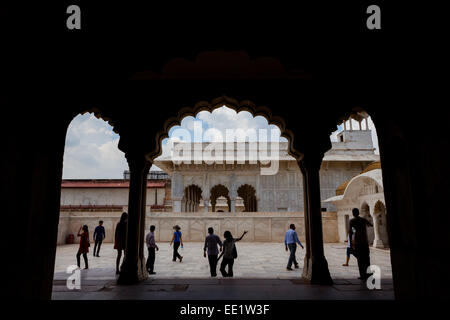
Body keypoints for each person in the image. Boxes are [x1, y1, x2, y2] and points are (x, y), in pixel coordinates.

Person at [349, 208, 373, 280]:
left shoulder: (352, 221)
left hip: (358, 242)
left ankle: (363, 275)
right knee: (366, 258)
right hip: (364, 242)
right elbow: (370, 225)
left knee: (360, 260)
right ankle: (368, 274)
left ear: (353, 213)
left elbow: (352, 232)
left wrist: (351, 243)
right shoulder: (363, 220)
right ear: (358, 213)